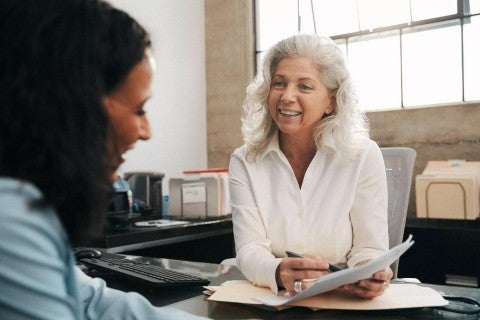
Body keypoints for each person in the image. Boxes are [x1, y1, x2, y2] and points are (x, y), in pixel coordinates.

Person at [0, 0, 207, 319]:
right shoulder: (11, 215)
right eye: (139, 109)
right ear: (73, 105)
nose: (146, 131)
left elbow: (88, 300)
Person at [229, 34, 392, 299]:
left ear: (331, 100)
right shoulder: (245, 161)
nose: (287, 96)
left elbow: (369, 248)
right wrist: (277, 270)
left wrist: (368, 272)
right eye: (279, 83)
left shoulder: (363, 155)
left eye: (304, 87)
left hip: (343, 299)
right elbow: (249, 250)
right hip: (274, 300)